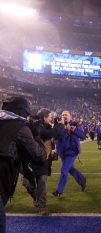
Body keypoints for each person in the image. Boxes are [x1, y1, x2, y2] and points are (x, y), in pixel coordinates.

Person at [0, 97, 46, 233]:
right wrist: (36, 135)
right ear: (20, 111)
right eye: (26, 114)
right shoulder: (19, 127)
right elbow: (40, 156)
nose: (27, 117)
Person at [22, 108, 63, 215]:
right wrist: (61, 124)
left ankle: (42, 206)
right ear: (44, 117)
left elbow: (56, 134)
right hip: (30, 160)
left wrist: (57, 124)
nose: (51, 118)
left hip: (43, 160)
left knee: (42, 182)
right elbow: (50, 133)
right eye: (50, 116)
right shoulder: (36, 126)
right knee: (27, 182)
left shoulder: (46, 126)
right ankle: (35, 197)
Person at [52, 111, 87, 197]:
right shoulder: (59, 126)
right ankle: (82, 180)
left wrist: (73, 129)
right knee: (70, 169)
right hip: (62, 152)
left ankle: (59, 191)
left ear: (70, 116)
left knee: (64, 170)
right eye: (63, 115)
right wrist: (60, 127)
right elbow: (55, 136)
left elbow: (83, 136)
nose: (64, 116)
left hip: (71, 152)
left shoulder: (74, 125)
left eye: (66, 114)